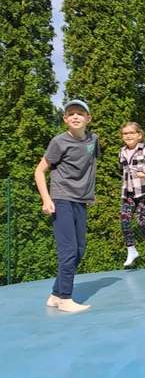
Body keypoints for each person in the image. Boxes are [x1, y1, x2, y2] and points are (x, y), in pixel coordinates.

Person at [34, 99, 100, 313]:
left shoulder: (93, 140)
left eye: (80, 113)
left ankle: (55, 294)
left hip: (81, 201)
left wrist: (89, 192)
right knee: (69, 250)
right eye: (71, 113)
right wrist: (46, 199)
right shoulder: (59, 142)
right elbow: (39, 171)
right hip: (61, 199)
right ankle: (65, 298)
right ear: (65, 119)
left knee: (79, 250)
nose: (75, 116)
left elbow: (91, 164)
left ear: (88, 118)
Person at [119, 122, 145, 267]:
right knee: (124, 220)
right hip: (129, 192)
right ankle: (131, 250)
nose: (128, 136)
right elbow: (122, 170)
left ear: (139, 135)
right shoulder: (122, 152)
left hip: (144, 192)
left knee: (141, 221)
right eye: (125, 133)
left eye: (131, 133)